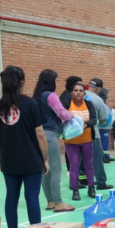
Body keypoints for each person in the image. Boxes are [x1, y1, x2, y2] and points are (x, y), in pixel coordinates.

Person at [0, 66, 49, 228]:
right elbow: (40, 133)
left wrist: (0, 157)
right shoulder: (31, 104)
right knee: (32, 197)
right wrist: (45, 158)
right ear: (22, 83)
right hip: (31, 159)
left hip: (9, 161)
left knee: (11, 197)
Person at [33, 69, 75, 213]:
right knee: (56, 169)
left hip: (40, 136)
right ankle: (58, 202)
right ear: (50, 81)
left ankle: (50, 201)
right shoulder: (50, 95)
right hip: (50, 135)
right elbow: (62, 113)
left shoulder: (37, 98)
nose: (57, 84)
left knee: (47, 170)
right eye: (56, 81)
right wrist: (72, 114)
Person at [62, 82, 98, 200]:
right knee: (74, 166)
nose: (78, 92)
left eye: (80, 90)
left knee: (89, 165)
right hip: (71, 141)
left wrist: (85, 125)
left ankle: (91, 188)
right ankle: (75, 190)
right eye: (75, 90)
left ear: (84, 93)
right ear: (71, 92)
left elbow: (94, 119)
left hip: (86, 139)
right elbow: (61, 117)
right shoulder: (67, 103)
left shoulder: (88, 103)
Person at [86, 79, 113, 190]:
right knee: (97, 157)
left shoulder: (77, 96)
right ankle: (101, 182)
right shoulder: (97, 99)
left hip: (77, 133)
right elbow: (103, 119)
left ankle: (79, 182)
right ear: (98, 89)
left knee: (78, 159)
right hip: (93, 133)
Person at [89, 78, 115, 166]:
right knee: (99, 145)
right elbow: (102, 117)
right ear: (98, 89)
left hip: (101, 127)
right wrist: (102, 122)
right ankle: (103, 157)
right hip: (99, 128)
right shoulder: (98, 100)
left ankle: (105, 155)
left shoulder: (99, 100)